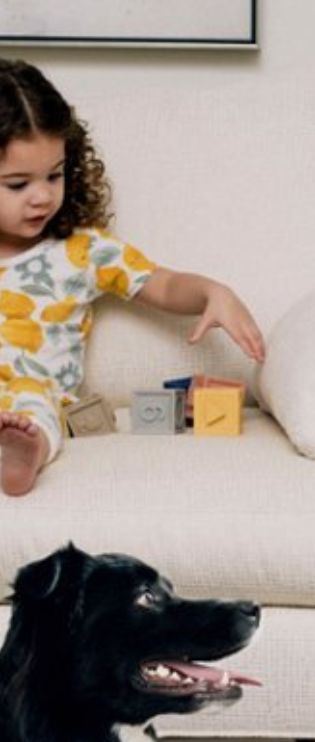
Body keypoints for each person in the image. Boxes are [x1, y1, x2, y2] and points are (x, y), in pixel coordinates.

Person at [0, 58, 265, 497]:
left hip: (33, 393)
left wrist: (210, 292)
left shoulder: (83, 250)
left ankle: (23, 454)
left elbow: (160, 284)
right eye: (17, 184)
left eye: (55, 175)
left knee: (34, 407)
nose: (43, 196)